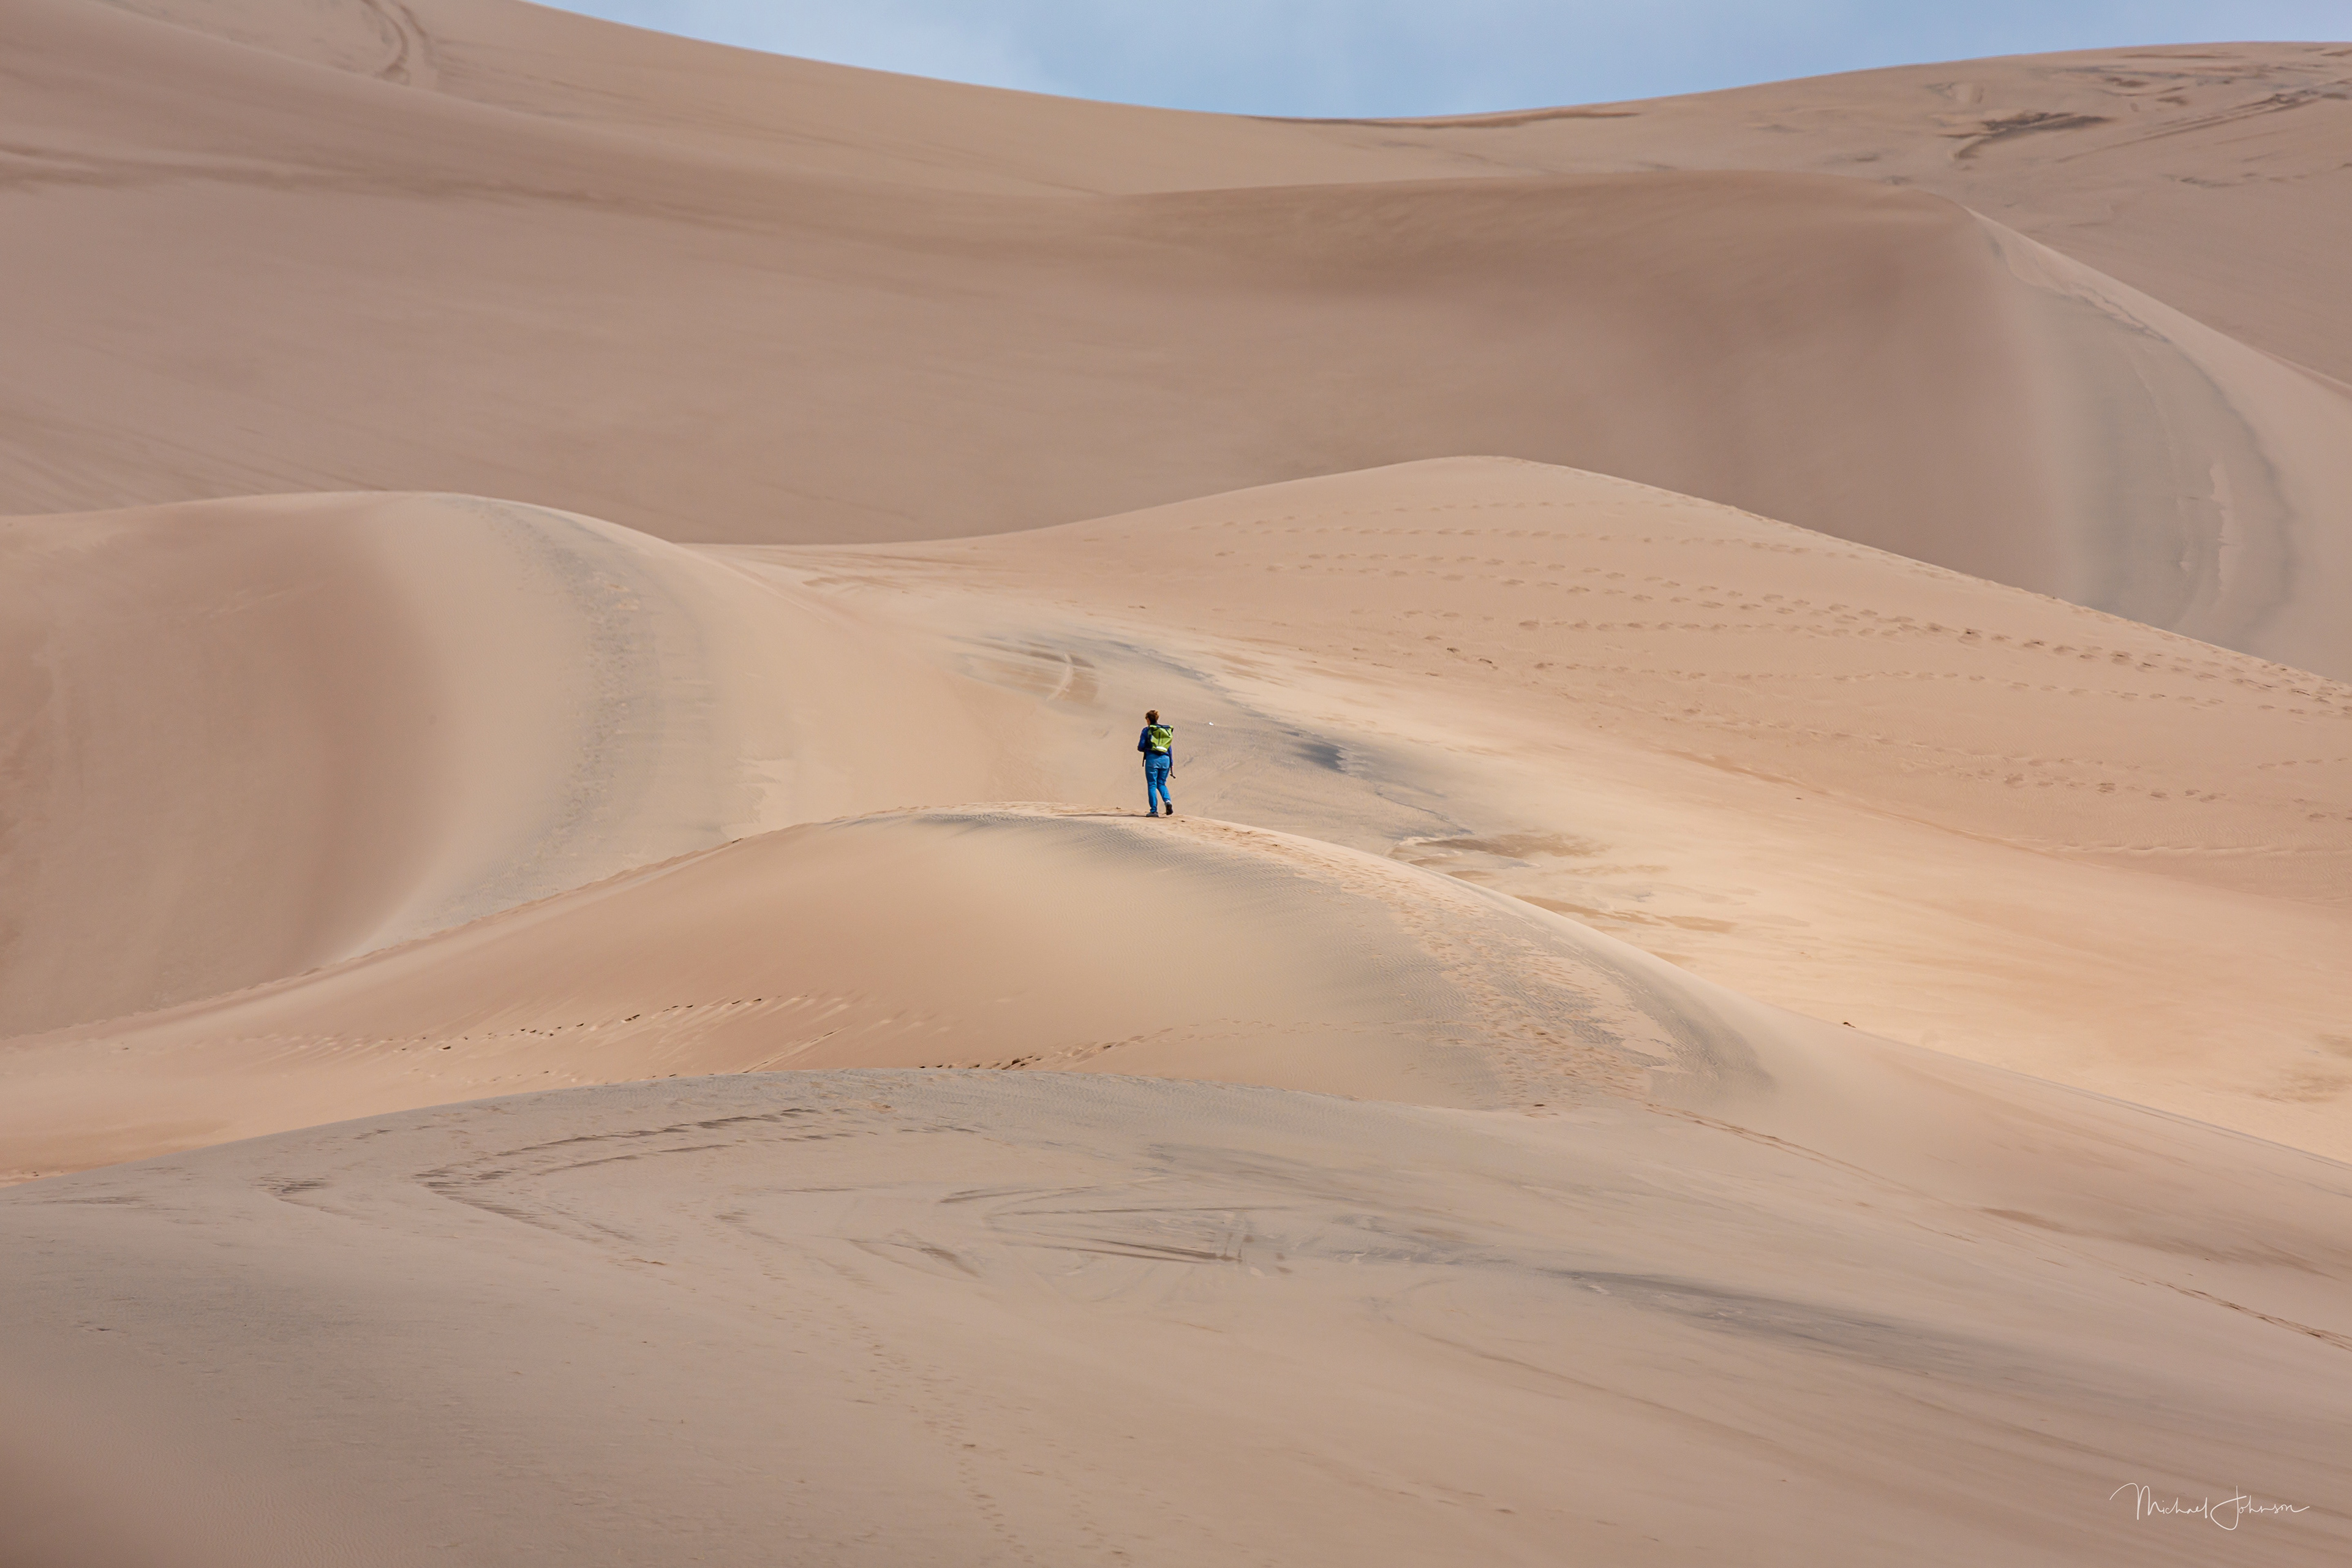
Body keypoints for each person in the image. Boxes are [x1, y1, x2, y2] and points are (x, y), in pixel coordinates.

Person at [1137, 709, 1175, 816]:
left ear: (1148, 720)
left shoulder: (1147, 730)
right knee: (1162, 783)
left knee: (1152, 785)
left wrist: (1147, 749)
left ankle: (1154, 811)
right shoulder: (1165, 731)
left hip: (1152, 760)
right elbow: (1169, 749)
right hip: (1166, 760)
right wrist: (1171, 763)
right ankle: (1168, 802)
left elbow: (1141, 746)